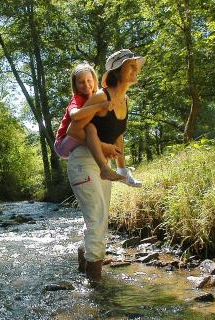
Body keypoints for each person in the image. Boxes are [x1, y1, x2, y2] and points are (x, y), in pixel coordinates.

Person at [69, 49, 145, 285]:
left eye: (136, 65)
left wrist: (122, 170)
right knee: (98, 219)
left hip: (103, 164)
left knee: (99, 219)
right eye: (129, 65)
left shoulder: (125, 100)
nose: (135, 68)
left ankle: (85, 256)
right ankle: (95, 285)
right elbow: (73, 130)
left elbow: (118, 136)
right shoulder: (102, 97)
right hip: (83, 161)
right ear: (116, 72)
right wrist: (102, 147)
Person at [54, 63, 125, 181]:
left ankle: (122, 168)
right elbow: (75, 115)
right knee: (90, 127)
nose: (86, 85)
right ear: (75, 85)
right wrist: (100, 106)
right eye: (81, 82)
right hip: (63, 143)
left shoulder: (96, 96)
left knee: (110, 126)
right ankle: (104, 169)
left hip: (76, 138)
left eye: (89, 80)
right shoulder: (77, 98)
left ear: (94, 80)